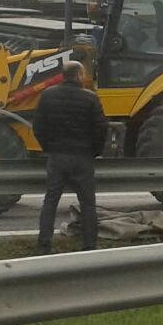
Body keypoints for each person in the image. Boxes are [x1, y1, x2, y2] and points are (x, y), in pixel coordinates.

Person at [32, 60, 109, 252]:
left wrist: (48, 147)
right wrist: (95, 151)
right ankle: (89, 245)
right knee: (88, 203)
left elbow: (38, 127)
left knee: (51, 200)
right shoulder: (90, 98)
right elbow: (101, 128)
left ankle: (44, 244)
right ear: (79, 75)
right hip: (82, 156)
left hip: (57, 156)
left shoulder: (48, 96)